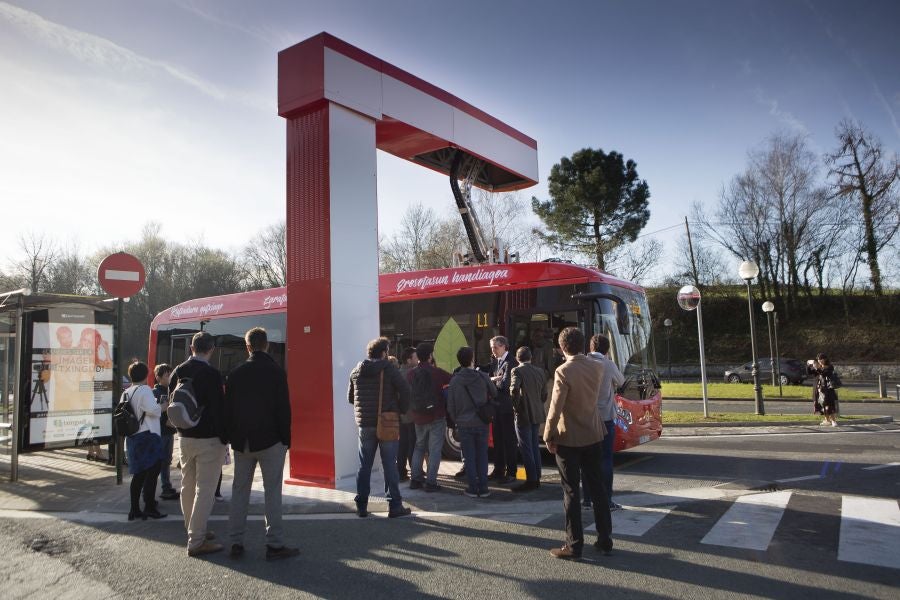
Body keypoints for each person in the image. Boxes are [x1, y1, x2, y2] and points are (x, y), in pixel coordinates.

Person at [225, 327, 298, 561]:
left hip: (243, 442)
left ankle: (236, 542)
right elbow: (283, 410)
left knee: (239, 491)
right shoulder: (276, 372)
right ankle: (274, 544)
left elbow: (229, 410)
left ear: (247, 347)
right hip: (271, 441)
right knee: (272, 492)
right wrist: (286, 439)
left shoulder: (235, 373)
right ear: (267, 345)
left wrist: (232, 438)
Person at [543, 327, 613, 560]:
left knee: (571, 491)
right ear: (583, 345)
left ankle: (574, 545)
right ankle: (605, 540)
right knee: (598, 488)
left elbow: (555, 408)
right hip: (594, 432)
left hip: (569, 437)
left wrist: (548, 435)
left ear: (562, 348)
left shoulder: (563, 371)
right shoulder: (597, 367)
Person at [169, 331, 227, 557]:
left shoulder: (178, 371)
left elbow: (173, 403)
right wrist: (225, 437)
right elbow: (219, 409)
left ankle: (193, 528)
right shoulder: (212, 374)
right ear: (211, 349)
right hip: (209, 439)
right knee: (205, 489)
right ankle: (196, 541)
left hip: (184, 437)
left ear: (191, 348)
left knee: (188, 485)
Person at [348, 337, 413, 518]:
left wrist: (364, 409)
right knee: (389, 465)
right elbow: (405, 390)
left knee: (364, 466)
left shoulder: (356, 371)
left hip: (364, 425)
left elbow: (350, 398)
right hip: (387, 422)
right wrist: (399, 409)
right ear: (384, 352)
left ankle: (361, 506)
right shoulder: (389, 369)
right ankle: (394, 506)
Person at [582, 334, 625, 510]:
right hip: (605, 416)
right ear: (607, 350)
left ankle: (587, 499)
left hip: (586, 417)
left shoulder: (582, 363)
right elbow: (621, 382)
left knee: (586, 459)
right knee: (605, 459)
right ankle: (606, 499)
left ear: (590, 347)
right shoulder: (608, 364)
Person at [446, 346, 496, 498]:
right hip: (482, 421)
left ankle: (473, 488)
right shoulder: (482, 376)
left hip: (463, 423)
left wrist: (456, 420)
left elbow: (450, 405)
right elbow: (494, 393)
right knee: (482, 455)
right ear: (472, 359)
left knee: (468, 456)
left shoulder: (455, 380)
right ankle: (484, 488)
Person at [124, 361, 166, 521]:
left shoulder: (127, 392)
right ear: (146, 375)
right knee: (152, 473)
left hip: (133, 436)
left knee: (138, 475)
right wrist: (163, 406)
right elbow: (153, 410)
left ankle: (134, 509)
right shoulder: (145, 390)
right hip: (148, 436)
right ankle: (149, 507)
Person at [407, 343, 452, 492]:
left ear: (418, 357)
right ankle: (431, 482)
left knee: (419, 447)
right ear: (430, 356)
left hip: (418, 416)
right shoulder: (437, 372)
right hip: (436, 415)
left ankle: (415, 480)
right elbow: (452, 379)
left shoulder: (411, 374)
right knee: (434, 450)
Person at [510, 346, 546, 493]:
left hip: (523, 414)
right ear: (531, 357)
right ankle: (537, 476)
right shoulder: (540, 371)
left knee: (526, 448)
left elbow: (514, 390)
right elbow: (544, 394)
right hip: (537, 412)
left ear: (517, 358)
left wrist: (516, 407)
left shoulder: (517, 370)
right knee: (534, 446)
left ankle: (531, 479)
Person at [489, 336, 518, 483]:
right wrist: (494, 379)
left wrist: (492, 381)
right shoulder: (496, 361)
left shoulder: (510, 362)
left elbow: (505, 385)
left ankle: (511, 472)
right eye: (492, 348)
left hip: (507, 408)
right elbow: (493, 379)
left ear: (503, 346)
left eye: (495, 347)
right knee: (498, 440)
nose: (493, 350)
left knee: (509, 441)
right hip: (496, 407)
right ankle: (498, 469)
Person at [152, 363, 179, 501]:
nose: (170, 378)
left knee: (167, 460)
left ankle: (166, 487)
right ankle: (161, 488)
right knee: (159, 461)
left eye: (170, 375)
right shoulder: (155, 392)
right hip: (161, 432)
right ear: (158, 377)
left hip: (169, 431)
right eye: (167, 375)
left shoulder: (171, 390)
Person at [397, 347, 419, 481]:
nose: (418, 359)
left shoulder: (398, 373)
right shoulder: (413, 374)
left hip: (401, 414)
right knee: (413, 444)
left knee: (402, 444)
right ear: (409, 360)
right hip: (412, 414)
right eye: (416, 357)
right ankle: (415, 471)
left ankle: (401, 471)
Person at [808, 354, 839, 427]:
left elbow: (824, 373)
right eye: (818, 359)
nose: (819, 361)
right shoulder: (819, 367)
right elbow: (809, 372)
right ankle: (827, 420)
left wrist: (817, 368)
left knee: (829, 405)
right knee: (823, 405)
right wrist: (809, 365)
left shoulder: (829, 367)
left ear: (825, 359)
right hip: (820, 389)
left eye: (821, 359)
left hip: (828, 389)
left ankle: (833, 421)